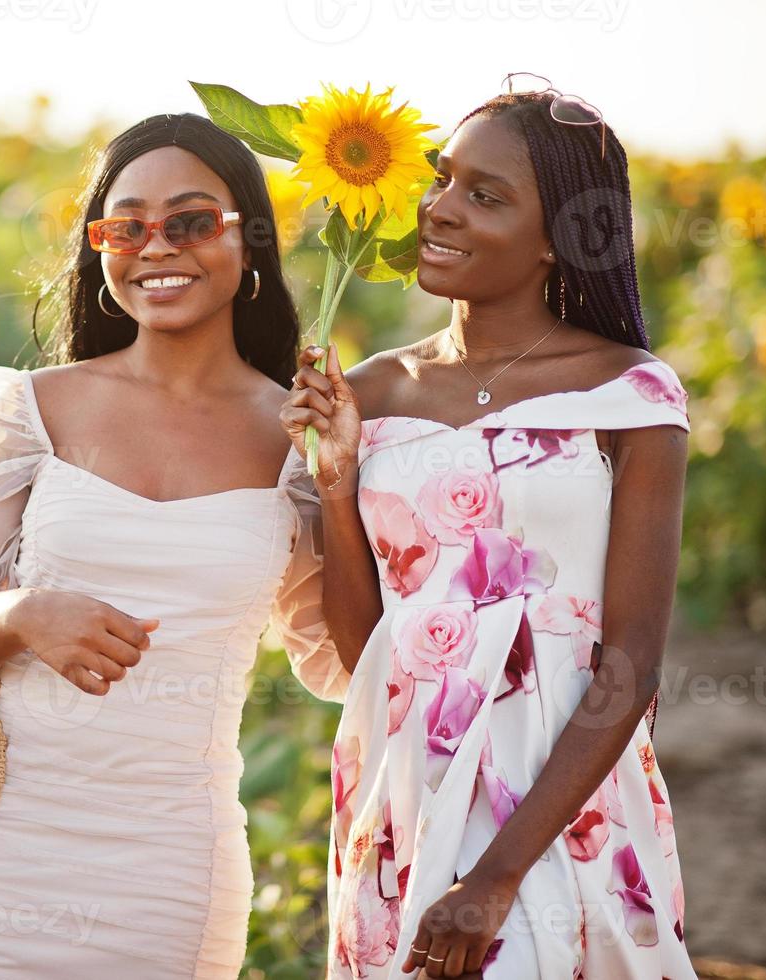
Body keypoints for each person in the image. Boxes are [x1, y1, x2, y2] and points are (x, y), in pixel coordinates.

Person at [0, 112, 349, 978]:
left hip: (171, 867)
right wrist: (23, 614)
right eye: (125, 226)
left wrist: (340, 485)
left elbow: (336, 664)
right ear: (99, 250)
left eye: (189, 222)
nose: (156, 246)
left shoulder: (299, 439)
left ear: (248, 241)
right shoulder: (26, 408)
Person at [283, 82, 696, 978]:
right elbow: (369, 659)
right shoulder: (375, 390)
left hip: (561, 797)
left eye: (486, 196)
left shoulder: (629, 395)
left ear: (560, 238)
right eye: (442, 181)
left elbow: (631, 661)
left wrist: (497, 875)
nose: (439, 209)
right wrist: (338, 475)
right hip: (406, 786)